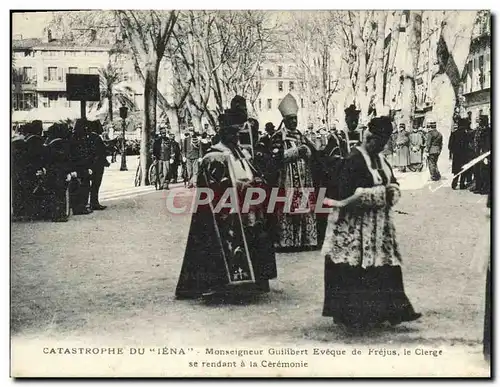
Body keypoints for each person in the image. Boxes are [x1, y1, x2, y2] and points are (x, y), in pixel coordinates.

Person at [321, 115, 421, 329]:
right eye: (380, 142)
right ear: (370, 138)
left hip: (379, 225)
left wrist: (392, 191)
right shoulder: (354, 159)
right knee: (356, 266)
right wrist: (379, 195)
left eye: (385, 143)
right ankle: (356, 314)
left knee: (384, 263)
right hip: (356, 226)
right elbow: (346, 193)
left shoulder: (382, 160)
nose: (383, 147)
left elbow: (391, 182)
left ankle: (392, 310)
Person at [175, 98, 277, 300]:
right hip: (227, 212)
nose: (236, 138)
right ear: (224, 133)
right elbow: (218, 190)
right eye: (232, 134)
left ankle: (254, 281)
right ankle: (224, 284)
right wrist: (244, 186)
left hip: (248, 207)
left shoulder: (240, 152)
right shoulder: (215, 157)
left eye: (238, 134)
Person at [272, 93, 320, 251]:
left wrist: (309, 152)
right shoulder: (278, 136)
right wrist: (297, 152)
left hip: (304, 178)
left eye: (295, 118)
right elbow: (276, 158)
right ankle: (287, 242)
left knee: (304, 206)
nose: (294, 121)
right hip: (286, 178)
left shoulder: (301, 135)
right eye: (290, 118)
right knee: (287, 208)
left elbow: (314, 153)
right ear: (284, 120)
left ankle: (304, 240)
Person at [44, 123, 73, 222]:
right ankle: (61, 214)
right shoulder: (64, 144)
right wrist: (68, 172)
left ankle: (54, 214)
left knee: (53, 193)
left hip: (51, 172)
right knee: (61, 193)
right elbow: (67, 160)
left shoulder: (49, 145)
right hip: (62, 172)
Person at [69, 119, 93, 215]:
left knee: (81, 186)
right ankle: (80, 207)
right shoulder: (79, 139)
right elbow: (79, 155)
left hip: (79, 166)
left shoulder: (74, 137)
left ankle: (80, 206)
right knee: (82, 186)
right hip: (80, 167)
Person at [88, 120, 110, 210]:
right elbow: (101, 152)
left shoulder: (89, 137)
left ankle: (92, 202)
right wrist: (105, 162)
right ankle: (94, 203)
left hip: (91, 164)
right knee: (96, 185)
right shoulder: (97, 138)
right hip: (98, 165)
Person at [448, 118, 470, 190]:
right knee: (463, 169)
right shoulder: (466, 134)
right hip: (465, 155)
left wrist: (454, 151)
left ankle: (454, 184)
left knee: (456, 170)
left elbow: (450, 146)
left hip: (456, 155)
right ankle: (462, 184)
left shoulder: (454, 133)